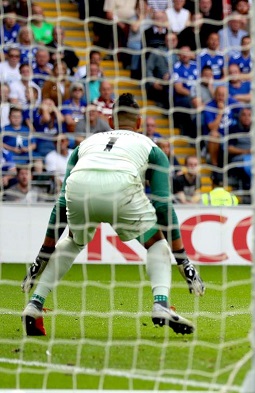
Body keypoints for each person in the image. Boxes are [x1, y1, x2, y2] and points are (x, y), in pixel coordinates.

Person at [21, 94, 202, 337]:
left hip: (80, 185)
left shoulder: (85, 145)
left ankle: (35, 304)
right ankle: (160, 303)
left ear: (109, 120)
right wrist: (183, 261)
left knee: (74, 240)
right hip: (122, 186)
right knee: (156, 242)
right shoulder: (152, 148)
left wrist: (41, 257)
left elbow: (61, 203)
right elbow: (162, 206)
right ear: (139, 123)